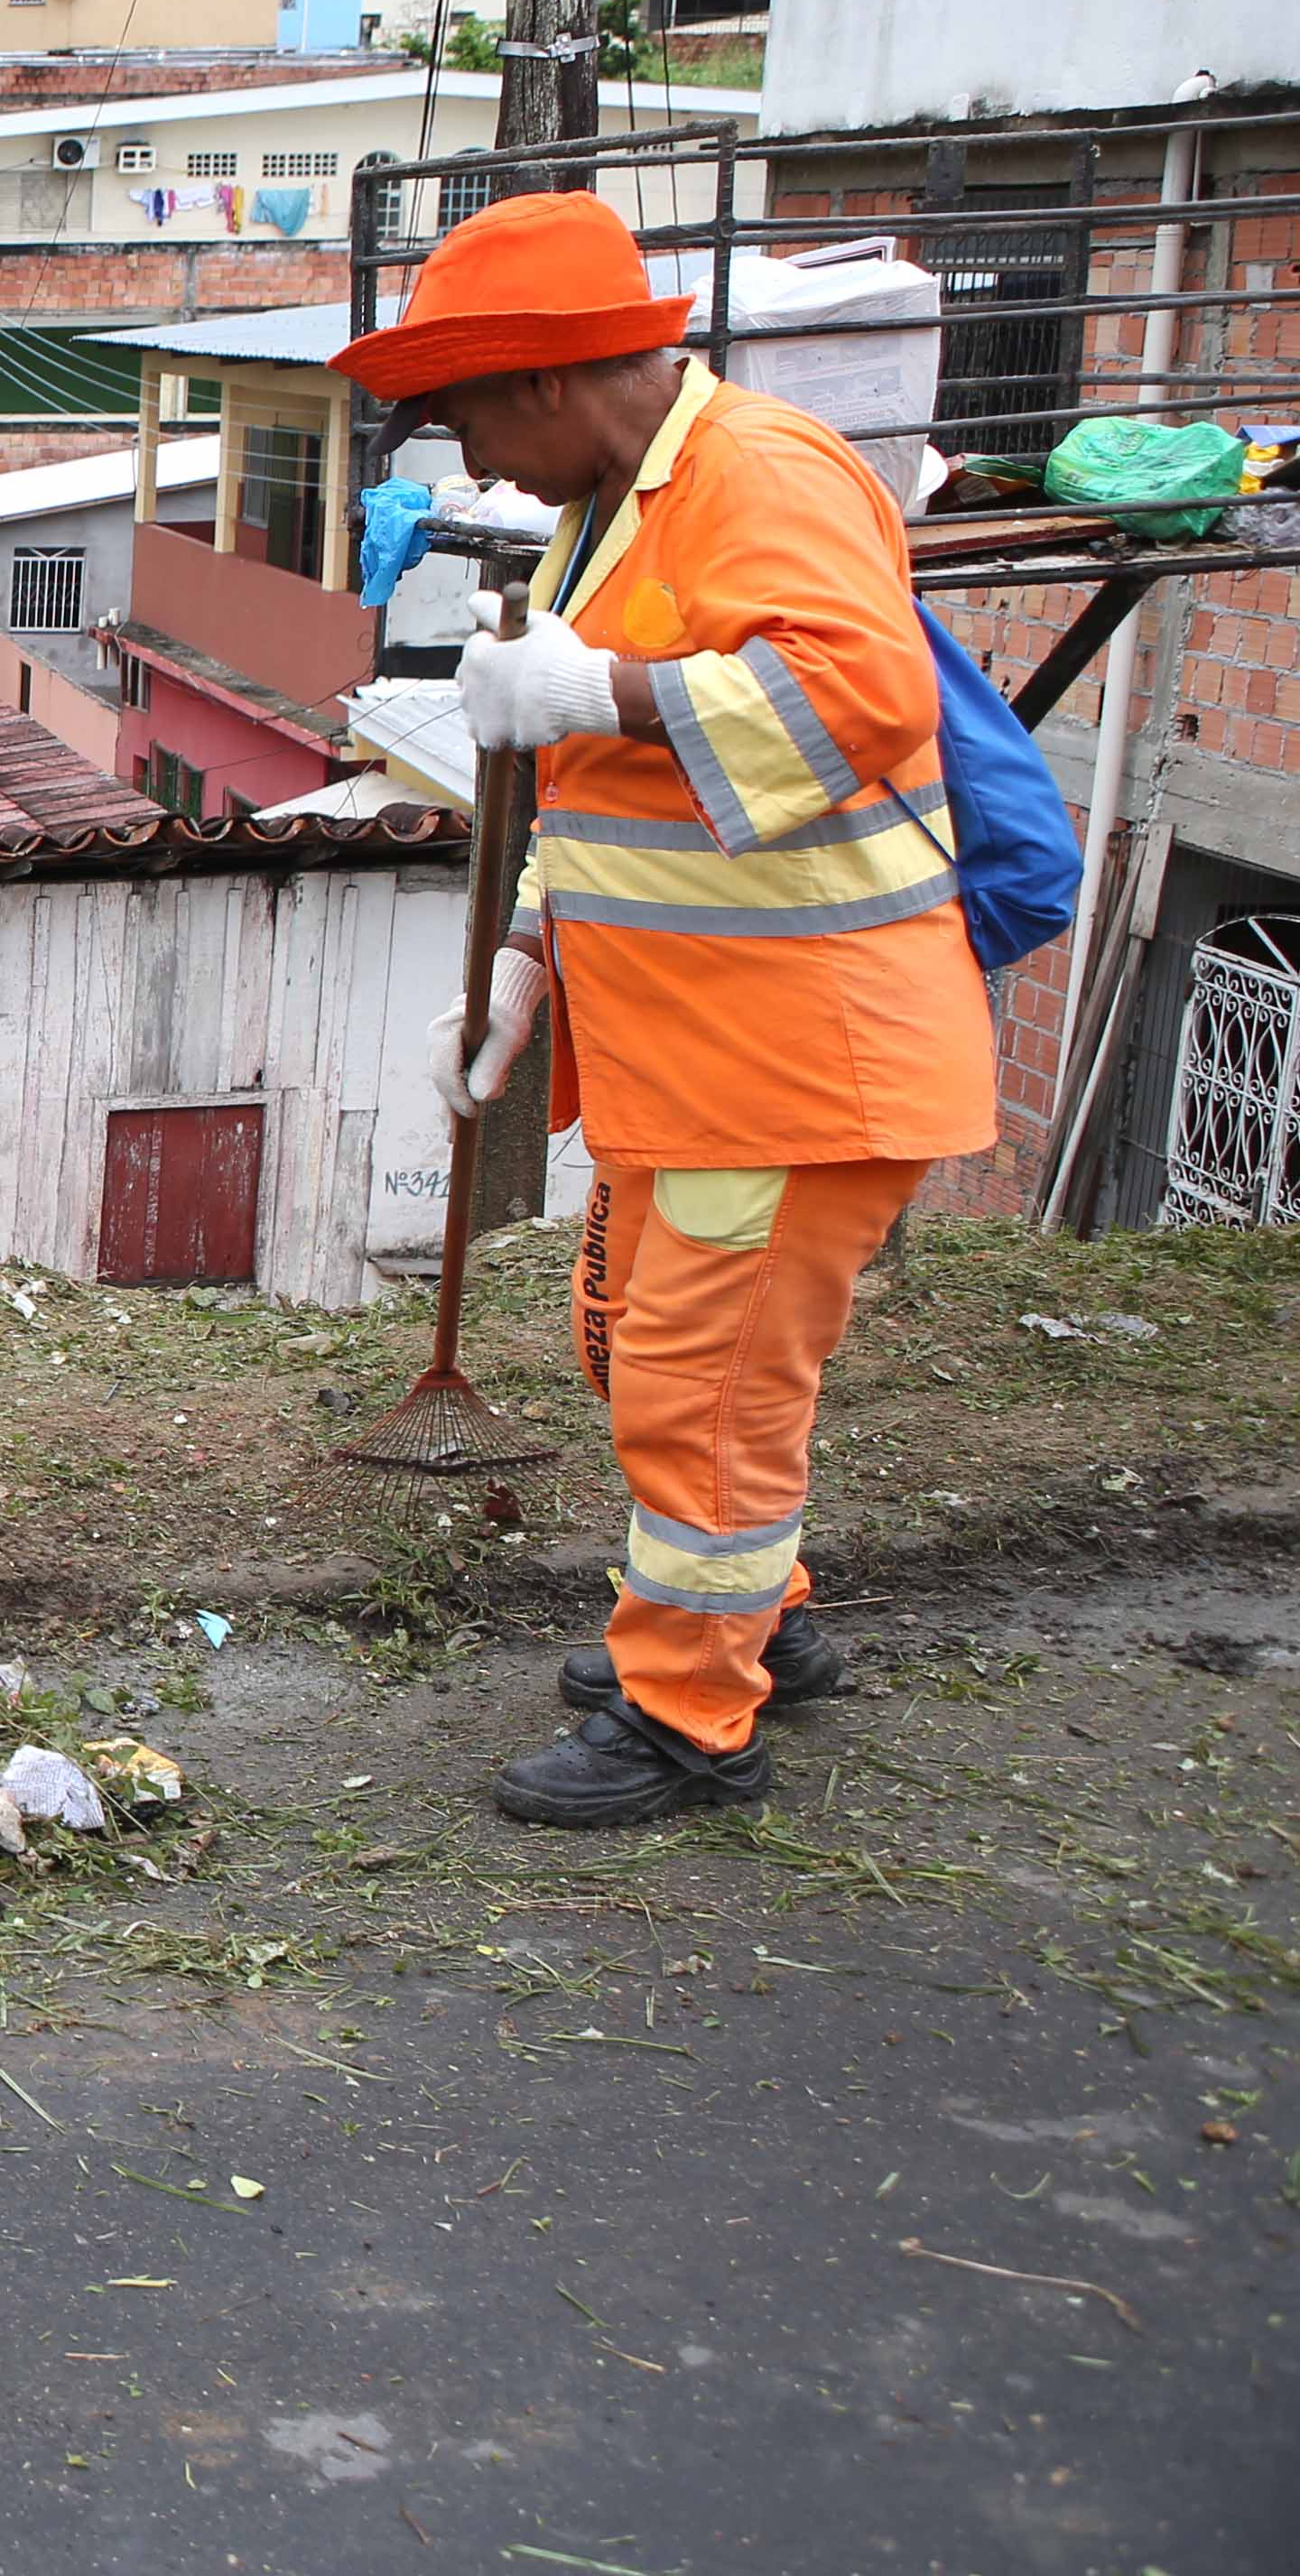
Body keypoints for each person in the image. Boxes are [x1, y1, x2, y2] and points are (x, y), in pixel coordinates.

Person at [339, 194, 995, 1829]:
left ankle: (687, 1714)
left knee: (696, 1389)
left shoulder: (753, 475)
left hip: (790, 1063)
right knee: (638, 1351)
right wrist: (522, 966)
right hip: (698, 1056)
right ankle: (750, 1619)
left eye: (471, 415)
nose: (472, 462)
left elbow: (856, 694)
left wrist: (596, 687)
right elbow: (630, 810)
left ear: (547, 382)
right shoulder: (618, 508)